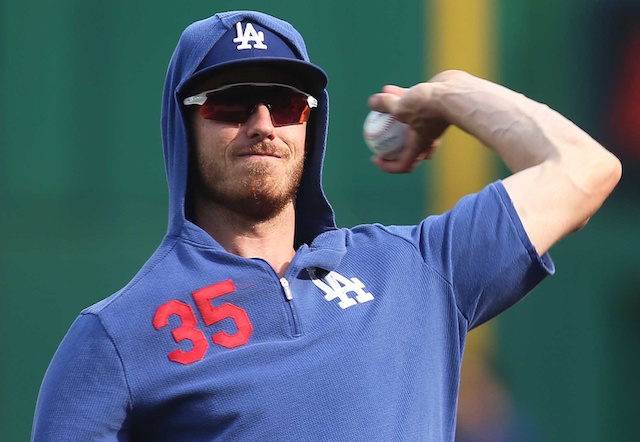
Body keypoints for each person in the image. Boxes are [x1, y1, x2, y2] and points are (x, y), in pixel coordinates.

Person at [31, 10, 621, 442]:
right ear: (185, 127)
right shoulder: (114, 337)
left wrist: (450, 92)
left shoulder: (415, 268)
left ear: (310, 125)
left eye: (286, 104)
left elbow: (584, 168)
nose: (263, 124)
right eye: (231, 104)